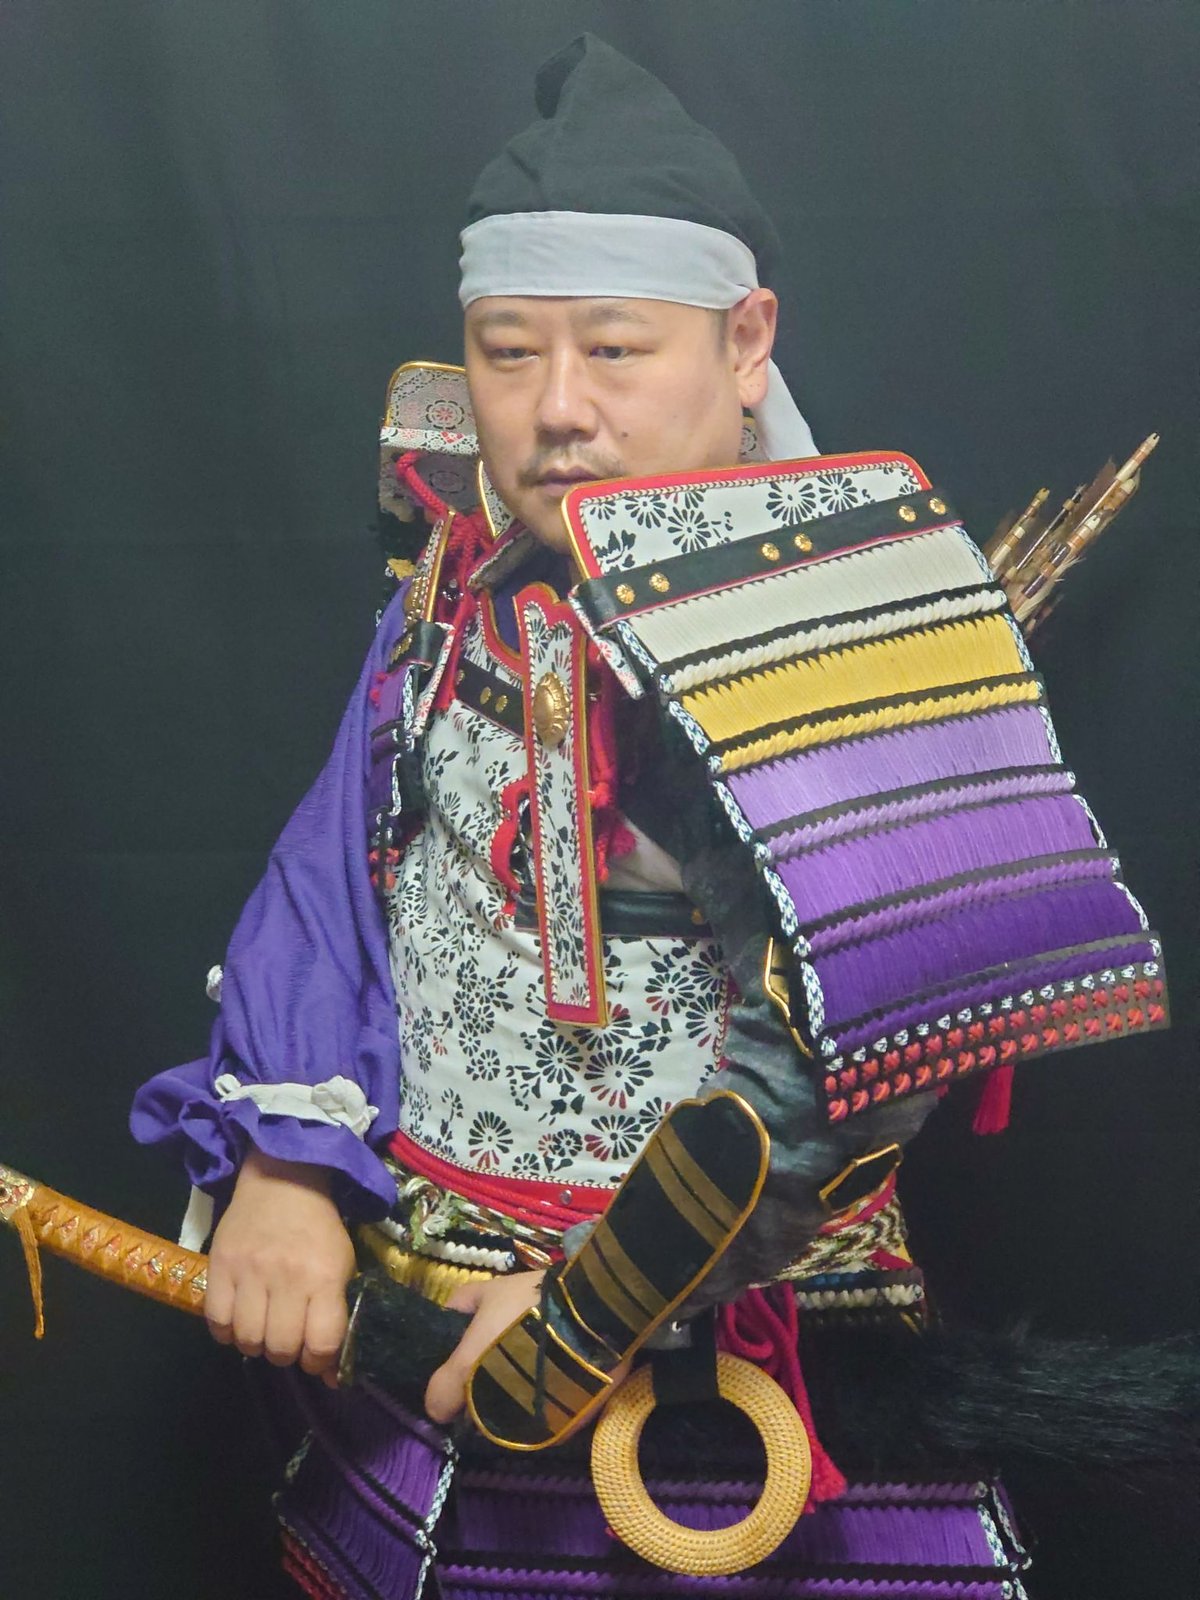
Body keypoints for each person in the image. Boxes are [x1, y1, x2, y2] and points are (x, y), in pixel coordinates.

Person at [130, 32, 1165, 1598]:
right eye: (505, 350)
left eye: (616, 352)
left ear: (745, 342)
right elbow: (343, 861)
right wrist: (283, 1161)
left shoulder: (842, 622)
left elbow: (847, 1061)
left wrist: (590, 1310)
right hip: (408, 1340)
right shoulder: (453, 561)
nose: (554, 412)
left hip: (733, 1365)